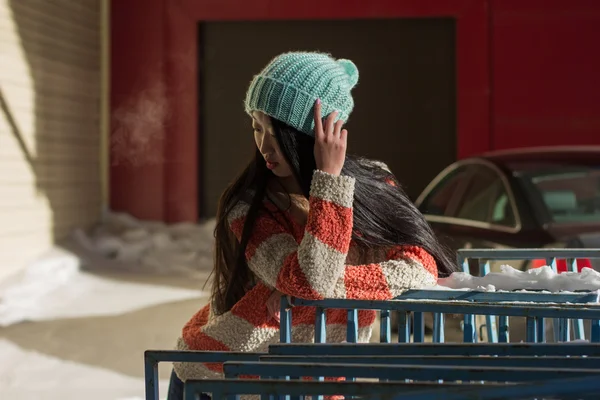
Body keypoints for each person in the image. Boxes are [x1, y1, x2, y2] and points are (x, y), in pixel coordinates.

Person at [167, 51, 457, 398]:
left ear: (316, 134)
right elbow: (310, 278)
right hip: (221, 379)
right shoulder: (249, 206)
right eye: (257, 127)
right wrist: (328, 184)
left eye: (277, 131)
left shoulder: (375, 186)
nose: (264, 145)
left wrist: (308, 294)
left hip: (319, 386)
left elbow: (420, 267)